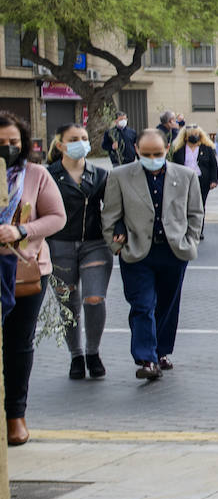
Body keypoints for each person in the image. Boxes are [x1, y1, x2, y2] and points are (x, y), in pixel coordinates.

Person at [102, 129, 203, 382]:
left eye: (157, 153)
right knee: (142, 305)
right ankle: (146, 359)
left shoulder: (186, 176)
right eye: (146, 154)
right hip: (137, 253)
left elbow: (195, 213)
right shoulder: (120, 176)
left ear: (167, 150)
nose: (152, 158)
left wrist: (189, 241)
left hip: (172, 251)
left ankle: (161, 352)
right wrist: (116, 247)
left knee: (168, 305)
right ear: (136, 150)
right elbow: (110, 215)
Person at [0, 114, 65, 445]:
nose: (8, 148)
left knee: (18, 344)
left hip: (26, 269)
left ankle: (16, 416)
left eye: (14, 142)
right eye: (1, 144)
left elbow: (57, 217)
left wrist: (21, 230)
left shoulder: (36, 175)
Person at [46, 125, 113, 382]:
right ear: (60, 145)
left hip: (95, 244)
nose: (80, 143)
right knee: (68, 304)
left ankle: (93, 352)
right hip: (59, 246)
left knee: (94, 298)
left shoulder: (100, 175)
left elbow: (113, 208)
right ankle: (76, 356)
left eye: (84, 138)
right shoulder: (49, 175)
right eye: (74, 140)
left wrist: (118, 229)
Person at [170, 125, 218, 212]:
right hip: (184, 180)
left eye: (196, 134)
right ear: (185, 136)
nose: (194, 136)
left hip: (202, 180)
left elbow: (213, 165)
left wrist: (213, 180)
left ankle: (199, 224)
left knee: (200, 204)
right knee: (186, 204)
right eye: (191, 134)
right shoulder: (179, 149)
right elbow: (175, 165)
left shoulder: (207, 148)